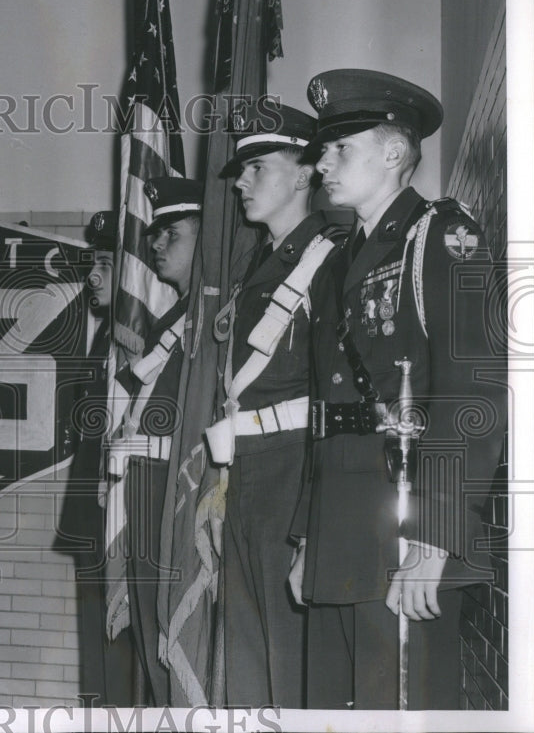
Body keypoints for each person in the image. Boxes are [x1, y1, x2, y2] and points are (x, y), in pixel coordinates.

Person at [288, 69, 507, 709]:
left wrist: (437, 536)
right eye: (322, 150)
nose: (321, 163)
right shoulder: (337, 260)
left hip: (406, 524)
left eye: (339, 149)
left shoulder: (440, 233)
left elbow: (476, 391)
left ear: (392, 152)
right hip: (341, 530)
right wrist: (308, 539)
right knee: (333, 709)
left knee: (404, 710)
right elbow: (328, 409)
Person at [207, 102, 343, 707]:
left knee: (286, 660)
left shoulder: (329, 259)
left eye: (256, 167)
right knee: (245, 655)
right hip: (249, 469)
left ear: (302, 173)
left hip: (296, 469)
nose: (240, 182)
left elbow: (338, 392)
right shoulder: (257, 264)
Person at [108, 178, 202, 705]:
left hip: (178, 499)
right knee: (152, 647)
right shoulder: (173, 316)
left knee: (179, 651)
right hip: (149, 496)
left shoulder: (212, 319)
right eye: (156, 234)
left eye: (174, 234)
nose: (157, 245)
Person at [55, 211, 135, 706]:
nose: (93, 276)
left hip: (126, 520)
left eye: (106, 263)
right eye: (93, 263)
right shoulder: (105, 337)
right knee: (97, 659)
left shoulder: (142, 338)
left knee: (126, 656)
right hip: (94, 517)